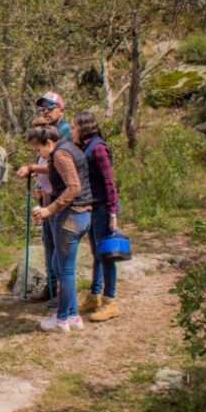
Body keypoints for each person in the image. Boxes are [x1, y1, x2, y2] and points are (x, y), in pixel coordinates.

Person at [16, 126, 92, 333]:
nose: (38, 154)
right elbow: (55, 170)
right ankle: (74, 315)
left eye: (38, 150)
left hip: (71, 217)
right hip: (83, 215)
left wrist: (50, 209)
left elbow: (74, 186)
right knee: (63, 267)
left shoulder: (59, 154)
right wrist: (33, 168)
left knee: (63, 270)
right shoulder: (67, 148)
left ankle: (61, 319)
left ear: (48, 143)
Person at [75, 112, 122, 322]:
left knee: (107, 255)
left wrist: (113, 212)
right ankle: (95, 295)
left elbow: (109, 181)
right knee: (96, 254)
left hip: (103, 208)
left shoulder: (98, 148)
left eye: (75, 126)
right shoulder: (86, 147)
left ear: (83, 127)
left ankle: (110, 301)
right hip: (93, 208)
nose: (72, 129)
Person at [27, 115, 58, 303]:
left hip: (55, 205)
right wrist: (39, 189)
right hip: (45, 202)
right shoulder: (41, 152)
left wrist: (32, 168)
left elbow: (53, 170)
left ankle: (58, 291)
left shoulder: (56, 151)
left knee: (56, 247)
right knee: (48, 245)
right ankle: (51, 287)